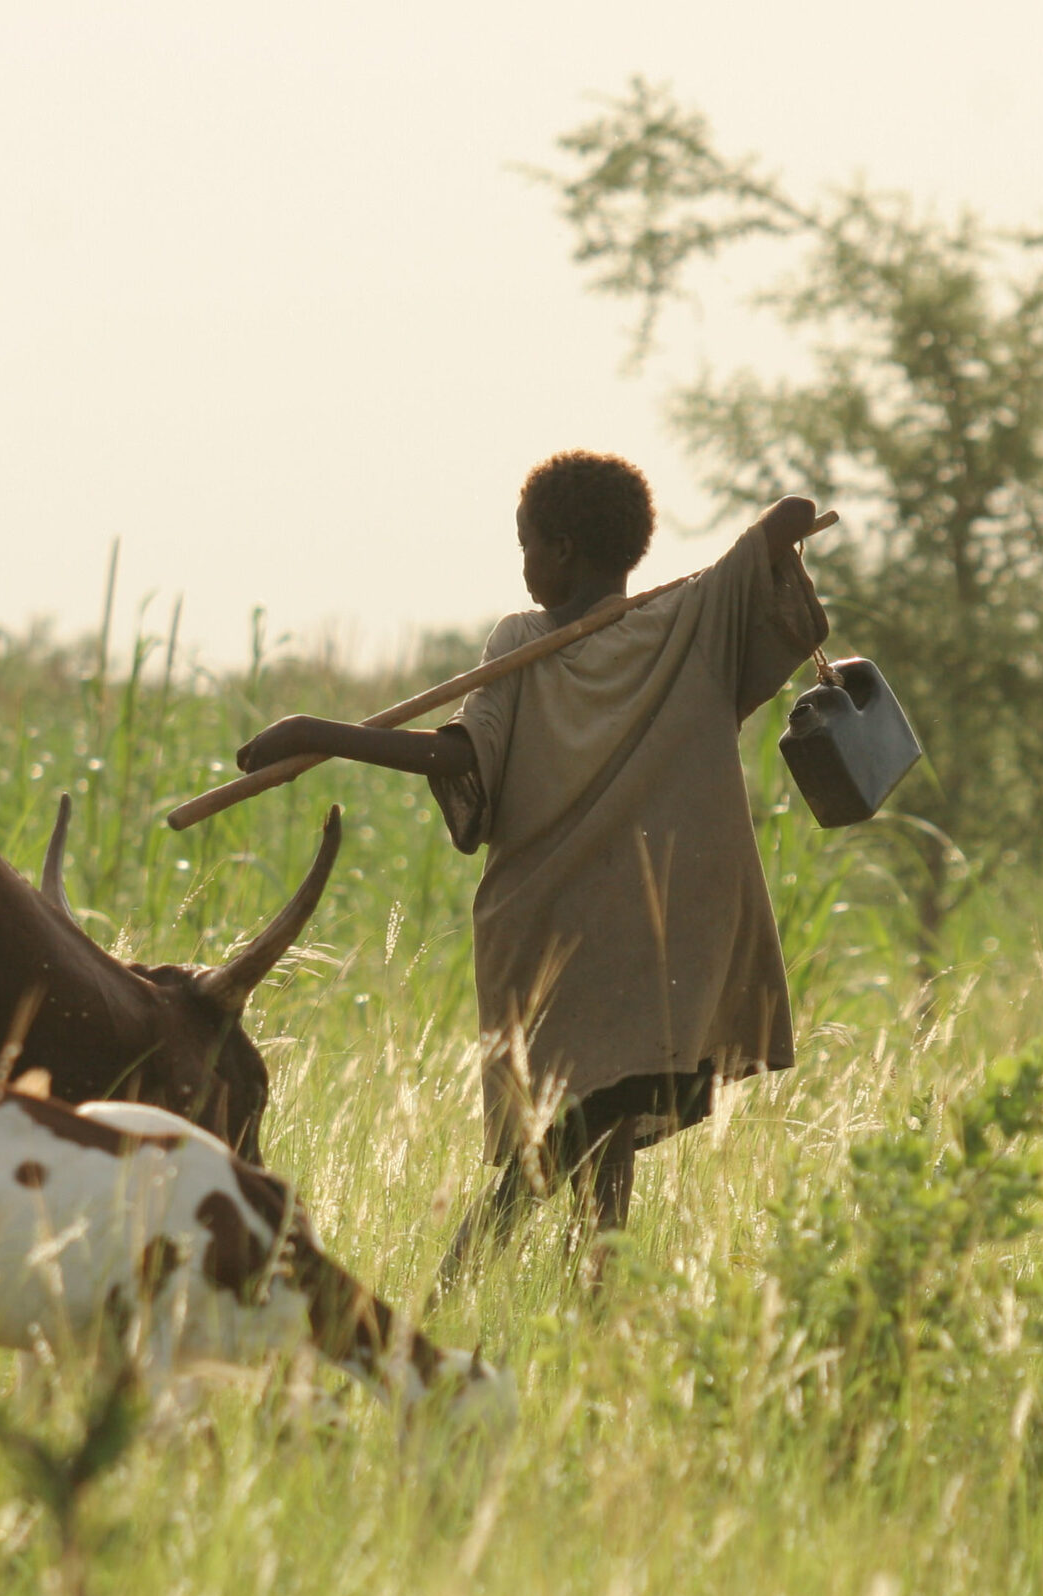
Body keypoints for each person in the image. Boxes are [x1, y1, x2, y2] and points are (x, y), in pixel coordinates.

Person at [233, 451, 826, 1281]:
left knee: (571, 1136)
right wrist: (736, 563)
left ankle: (451, 1302)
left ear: (565, 548)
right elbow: (794, 511)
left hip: (565, 942)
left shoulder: (595, 627)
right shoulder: (692, 618)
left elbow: (457, 759)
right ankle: (593, 1315)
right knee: (599, 1138)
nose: (524, 565)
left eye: (528, 546)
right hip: (654, 942)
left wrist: (316, 731)